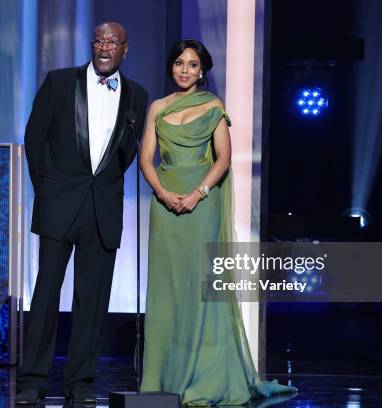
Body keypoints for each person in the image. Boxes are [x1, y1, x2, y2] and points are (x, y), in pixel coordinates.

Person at [139, 39, 297, 406]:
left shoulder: (213, 106)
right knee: (168, 291)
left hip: (200, 206)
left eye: (192, 64)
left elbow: (223, 159)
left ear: (202, 71)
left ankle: (201, 377)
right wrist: (163, 193)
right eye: (179, 63)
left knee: (199, 289)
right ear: (171, 67)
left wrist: (197, 194)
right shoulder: (157, 108)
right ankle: (163, 377)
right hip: (165, 207)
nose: (184, 70)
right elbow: (146, 158)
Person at [18, 22, 148, 405]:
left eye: (113, 42)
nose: (105, 47)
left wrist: (103, 185)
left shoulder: (137, 96)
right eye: (100, 40)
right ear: (92, 45)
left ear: (126, 49)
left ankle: (80, 381)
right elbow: (34, 138)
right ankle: (33, 380)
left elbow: (125, 155)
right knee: (45, 294)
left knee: (92, 300)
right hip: (59, 204)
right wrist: (48, 189)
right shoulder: (59, 82)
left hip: (102, 209)